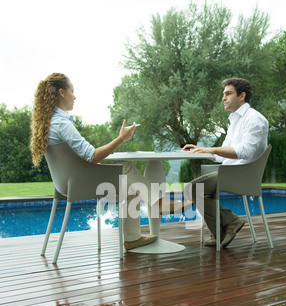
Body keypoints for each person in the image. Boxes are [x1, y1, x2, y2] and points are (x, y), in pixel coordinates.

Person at [30, 73, 189, 251]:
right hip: (79, 183)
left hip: (65, 184)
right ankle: (159, 203)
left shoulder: (50, 122)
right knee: (127, 168)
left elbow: (80, 158)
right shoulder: (62, 124)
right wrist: (121, 139)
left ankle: (132, 238)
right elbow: (92, 156)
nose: (74, 96)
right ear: (61, 92)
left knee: (132, 186)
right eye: (72, 91)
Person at [182, 77, 269, 248]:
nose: (223, 98)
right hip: (230, 172)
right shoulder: (234, 120)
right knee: (194, 189)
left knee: (193, 188)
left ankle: (229, 223)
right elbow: (223, 156)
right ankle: (224, 229)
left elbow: (244, 152)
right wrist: (200, 150)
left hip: (243, 175)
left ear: (242, 96)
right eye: (223, 94)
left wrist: (211, 149)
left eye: (228, 93)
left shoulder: (255, 119)